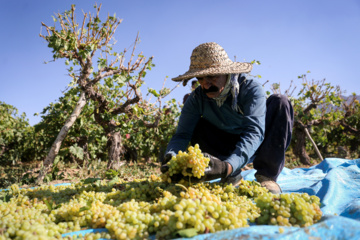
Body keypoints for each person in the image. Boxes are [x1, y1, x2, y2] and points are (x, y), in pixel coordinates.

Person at [160, 42, 294, 194]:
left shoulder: (250, 88)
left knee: (280, 102)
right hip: (225, 147)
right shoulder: (197, 98)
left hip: (258, 144)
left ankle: (267, 176)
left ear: (226, 72)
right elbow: (182, 135)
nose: (205, 84)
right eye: (200, 78)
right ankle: (232, 176)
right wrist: (172, 156)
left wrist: (228, 166)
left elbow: (254, 132)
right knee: (196, 126)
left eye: (211, 76)